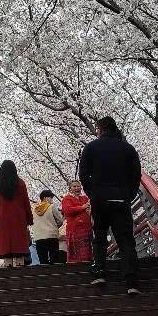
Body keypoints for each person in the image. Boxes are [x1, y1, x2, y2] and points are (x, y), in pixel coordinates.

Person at [78, 116, 142, 293]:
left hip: (100, 198)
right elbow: (136, 174)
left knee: (99, 236)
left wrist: (92, 192)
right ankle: (131, 282)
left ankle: (99, 271)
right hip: (121, 198)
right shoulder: (127, 149)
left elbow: (83, 173)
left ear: (100, 129)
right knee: (126, 240)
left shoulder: (91, 147)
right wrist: (129, 194)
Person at [0, 160, 33, 267]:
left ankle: (8, 272)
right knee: (19, 249)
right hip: (19, 219)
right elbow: (25, 202)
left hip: (3, 220)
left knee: (6, 250)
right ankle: (20, 270)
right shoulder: (20, 183)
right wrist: (29, 218)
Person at [61, 180, 93, 264]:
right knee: (76, 253)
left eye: (78, 186)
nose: (76, 188)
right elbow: (67, 210)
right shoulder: (66, 199)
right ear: (70, 188)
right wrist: (82, 207)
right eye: (74, 186)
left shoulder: (85, 198)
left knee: (87, 251)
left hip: (86, 228)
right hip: (75, 230)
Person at [31, 189, 64, 264]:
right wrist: (55, 226)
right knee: (54, 260)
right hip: (51, 236)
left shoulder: (34, 209)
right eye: (51, 197)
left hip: (39, 237)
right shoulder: (51, 207)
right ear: (45, 198)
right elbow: (60, 221)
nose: (52, 200)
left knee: (43, 261)